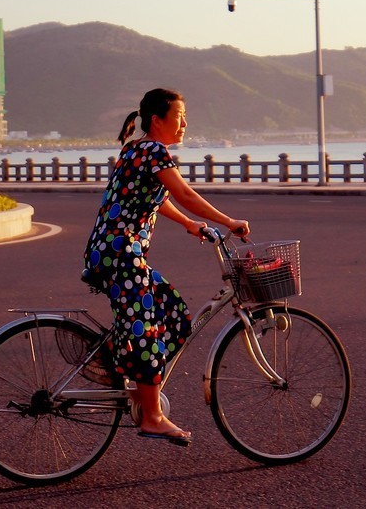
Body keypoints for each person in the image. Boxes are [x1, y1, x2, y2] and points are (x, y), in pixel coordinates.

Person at [81, 87, 250, 446]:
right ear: (157, 120)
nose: (185, 124)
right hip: (120, 254)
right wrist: (229, 220)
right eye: (178, 117)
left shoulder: (135, 149)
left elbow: (155, 198)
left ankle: (116, 359)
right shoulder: (154, 151)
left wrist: (189, 224)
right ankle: (153, 417)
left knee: (173, 315)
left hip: (112, 252)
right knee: (146, 330)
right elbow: (185, 194)